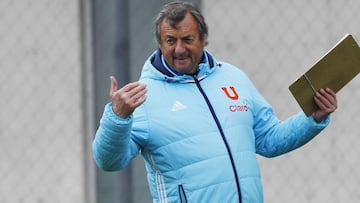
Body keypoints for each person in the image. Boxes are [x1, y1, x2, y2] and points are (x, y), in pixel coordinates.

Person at [92, 1, 337, 202]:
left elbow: (269, 140)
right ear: (160, 43)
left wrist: (313, 118)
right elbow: (108, 161)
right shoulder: (143, 96)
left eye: (187, 39)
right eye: (170, 40)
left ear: (203, 40)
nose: (179, 49)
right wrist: (117, 117)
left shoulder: (233, 77)